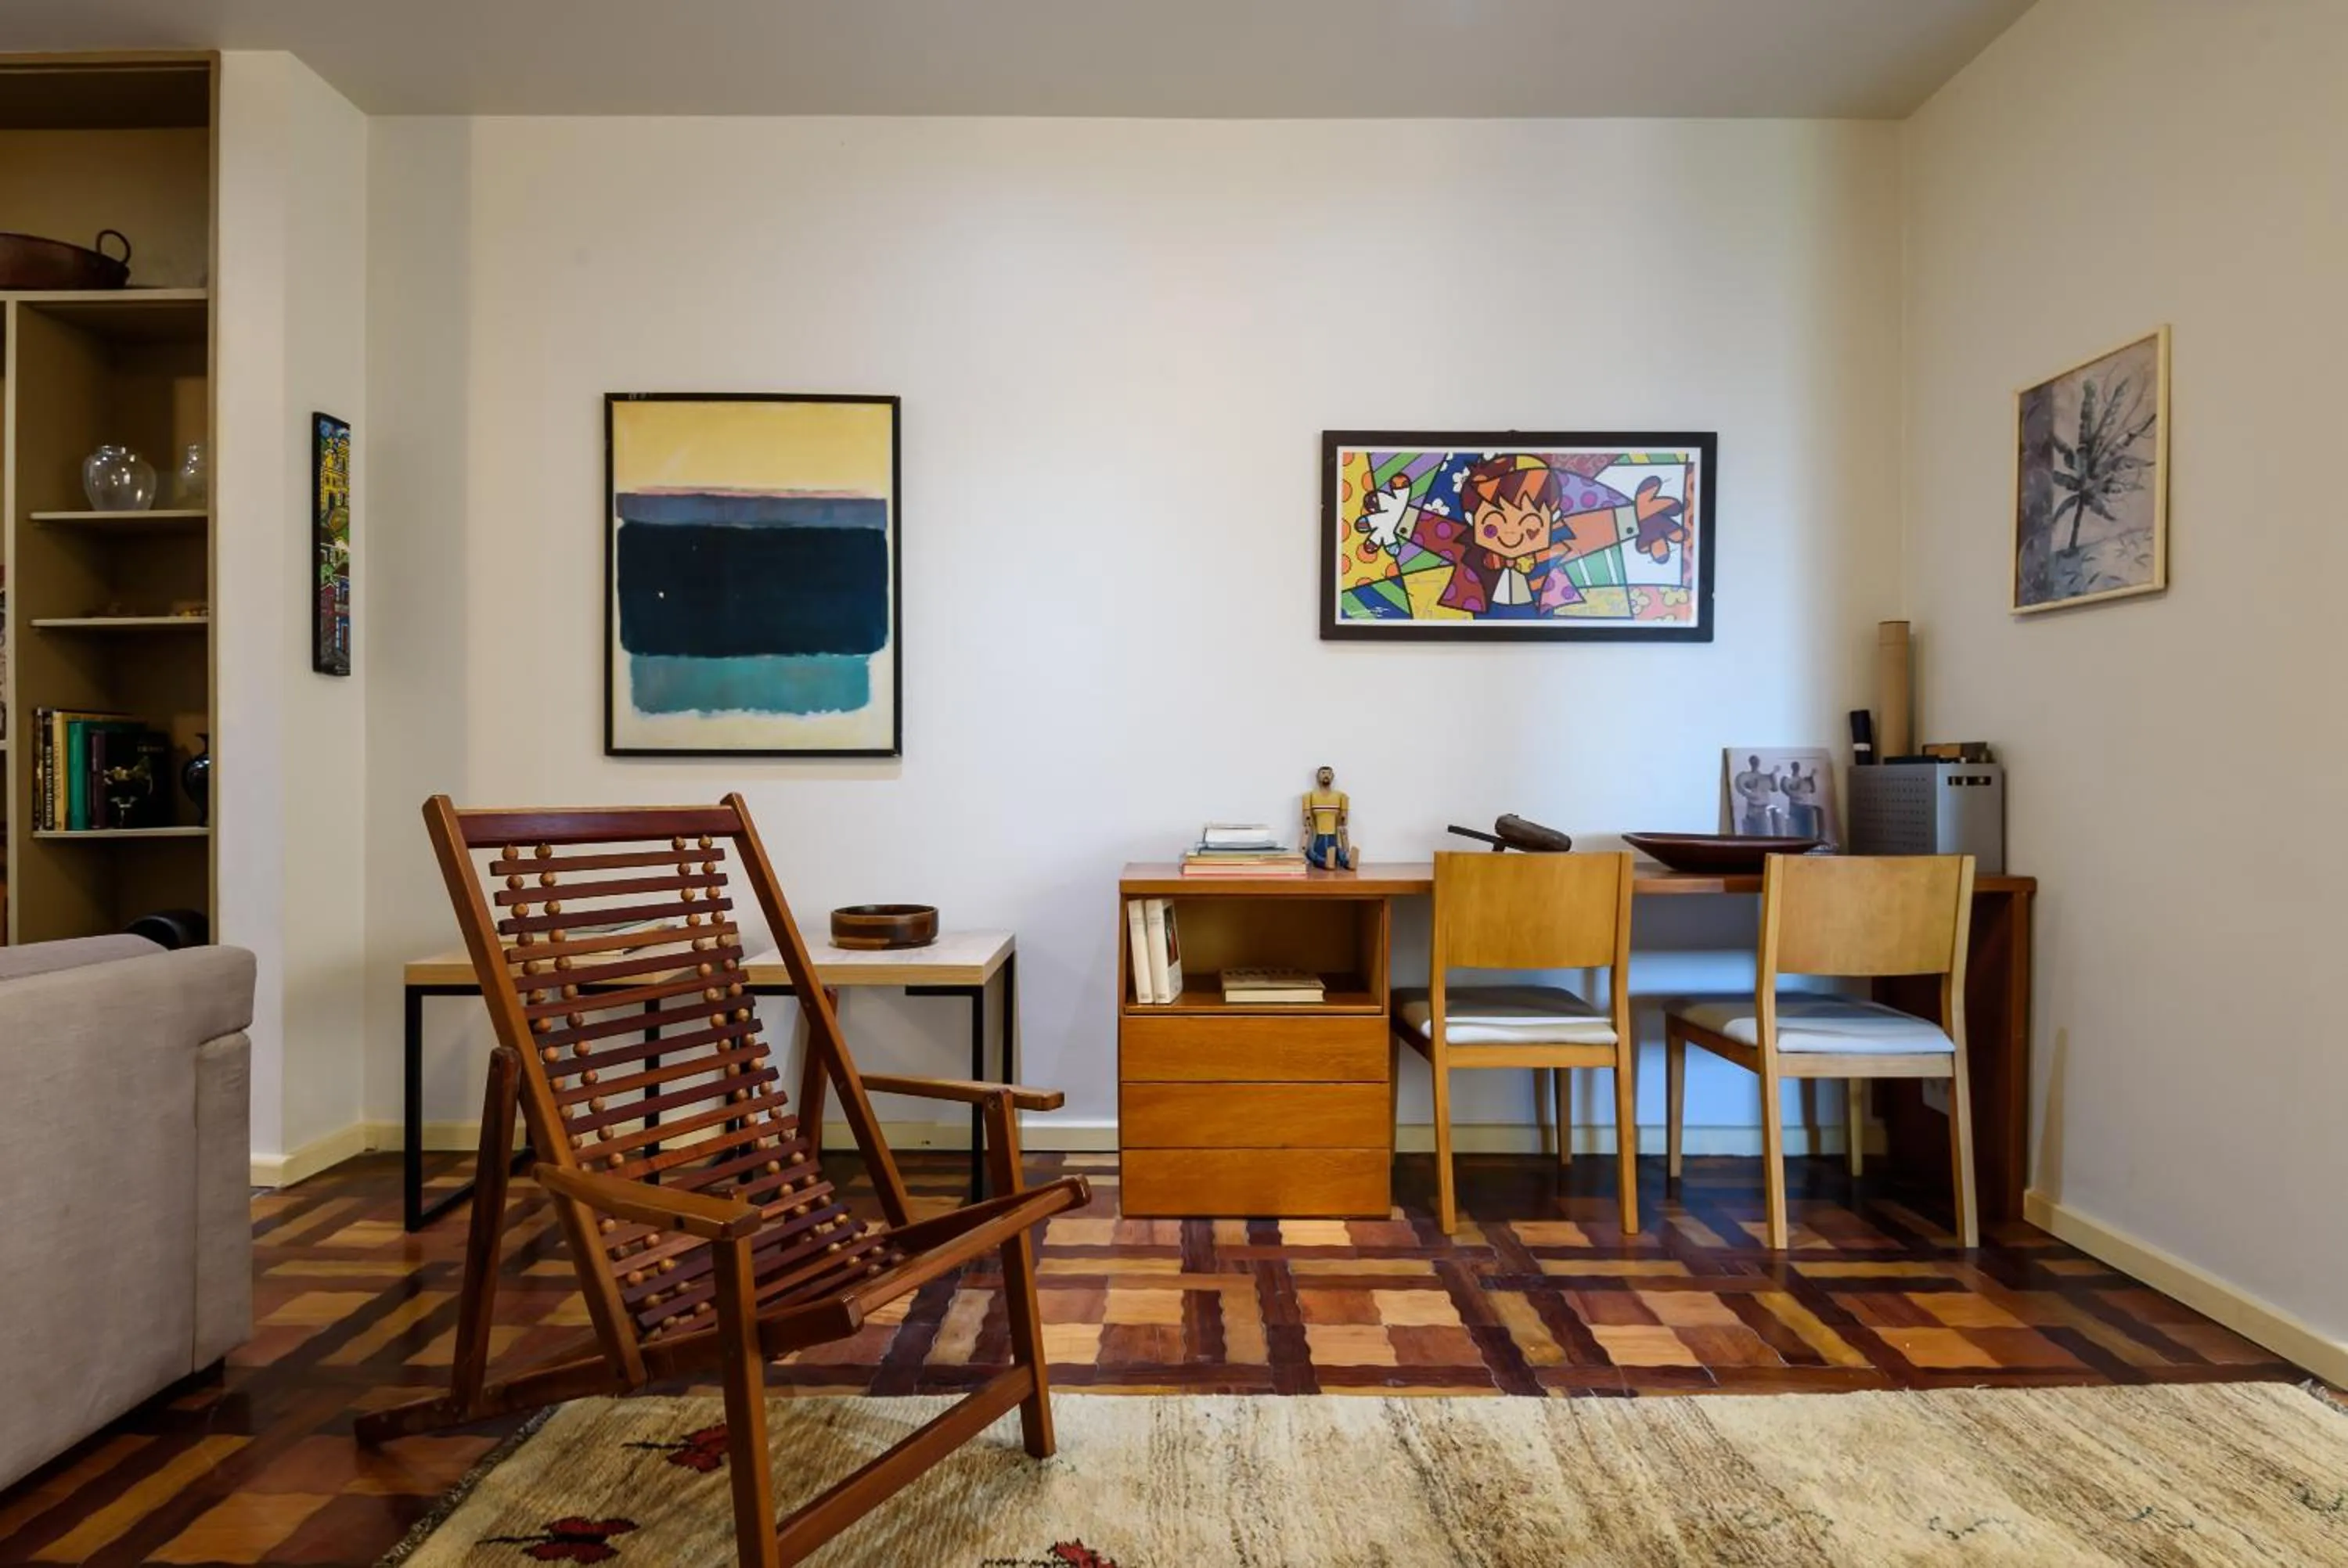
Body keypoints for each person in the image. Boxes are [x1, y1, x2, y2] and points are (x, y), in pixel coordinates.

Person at [1302, 765, 1355, 870]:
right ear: (1317, 777)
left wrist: (1343, 826)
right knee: (1311, 852)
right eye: (1323, 773)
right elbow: (1306, 820)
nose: (1326, 775)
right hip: (1318, 836)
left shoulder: (1341, 796)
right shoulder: (1310, 796)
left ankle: (1345, 861)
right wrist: (1307, 831)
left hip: (1334, 835)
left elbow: (1344, 821)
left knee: (1337, 850)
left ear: (1333, 777)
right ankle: (1324, 862)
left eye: (1329, 773)